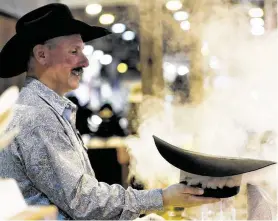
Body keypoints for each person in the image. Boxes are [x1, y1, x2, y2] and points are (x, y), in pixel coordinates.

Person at [0, 3, 218, 220]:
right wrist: (162, 198)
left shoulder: (43, 109)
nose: (84, 62)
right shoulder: (38, 115)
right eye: (74, 51)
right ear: (42, 55)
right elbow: (83, 202)